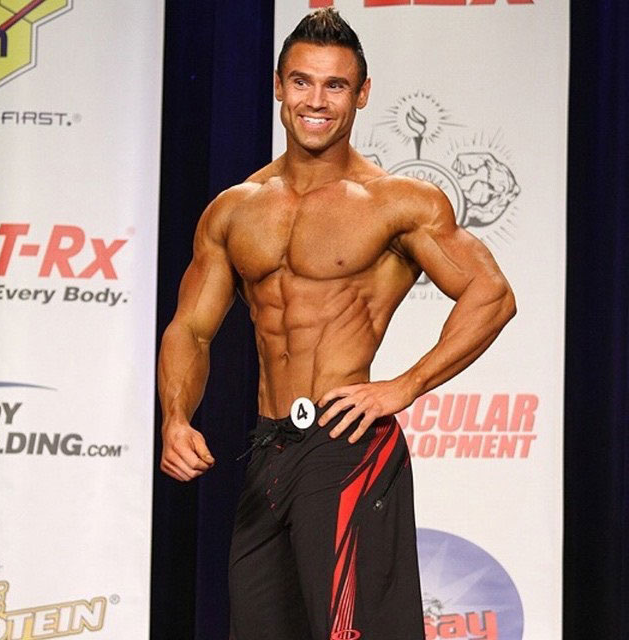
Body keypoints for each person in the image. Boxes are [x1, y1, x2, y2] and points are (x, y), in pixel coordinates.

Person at [158, 8, 516, 640]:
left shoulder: (398, 203)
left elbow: (491, 295)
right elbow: (193, 328)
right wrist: (176, 417)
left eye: (335, 86)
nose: (315, 101)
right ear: (277, 86)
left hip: (346, 448)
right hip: (268, 450)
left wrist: (405, 385)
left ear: (362, 94)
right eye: (301, 82)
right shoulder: (234, 210)